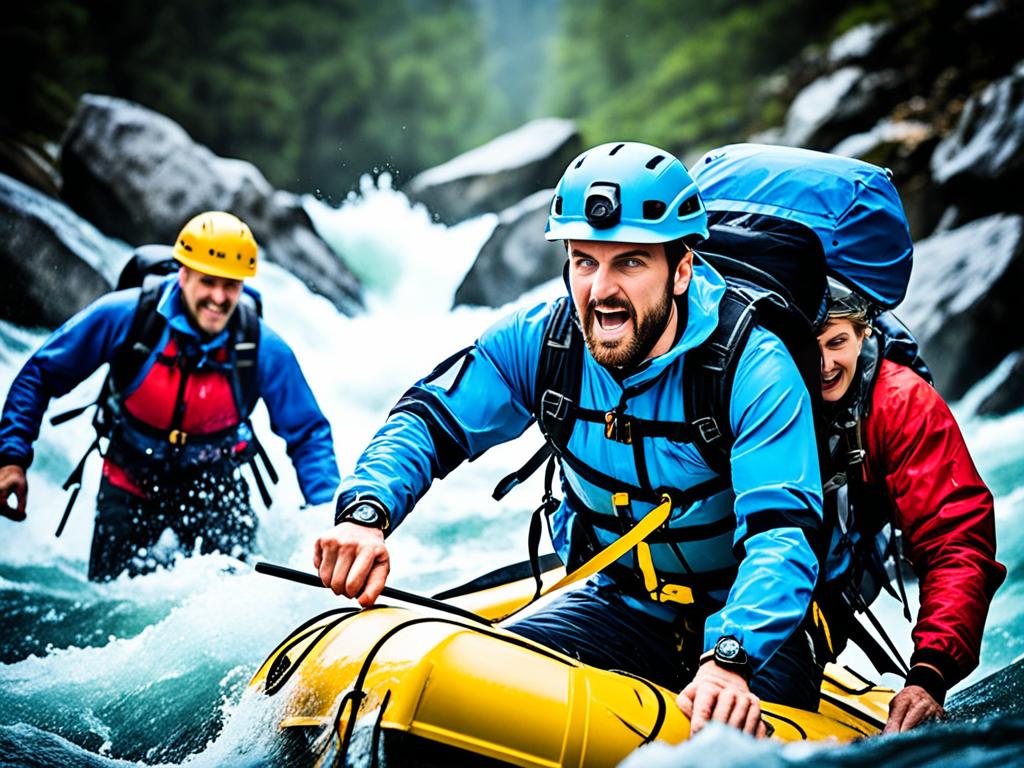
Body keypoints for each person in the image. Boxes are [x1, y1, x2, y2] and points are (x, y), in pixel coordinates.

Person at [313, 142, 825, 737]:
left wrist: (731, 658)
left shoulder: (752, 365)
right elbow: (429, 418)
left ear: (681, 269)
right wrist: (365, 513)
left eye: (629, 263)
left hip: (755, 633)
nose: (601, 290)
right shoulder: (544, 341)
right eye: (585, 262)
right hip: (623, 605)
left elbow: (782, 531)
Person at [0, 211, 341, 580]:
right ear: (183, 274)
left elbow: (308, 433)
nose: (218, 297)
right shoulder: (126, 316)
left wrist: (328, 516)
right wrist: (11, 457)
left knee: (235, 599)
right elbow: (41, 374)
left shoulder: (262, 347)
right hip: (129, 476)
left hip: (214, 485)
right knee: (108, 598)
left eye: (230, 286)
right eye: (207, 282)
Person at [814, 280, 1006, 733]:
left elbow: (955, 539)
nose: (823, 366)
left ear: (863, 335)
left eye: (837, 342)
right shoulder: (754, 387)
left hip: (820, 595)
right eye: (809, 347)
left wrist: (929, 676)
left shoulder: (901, 402)